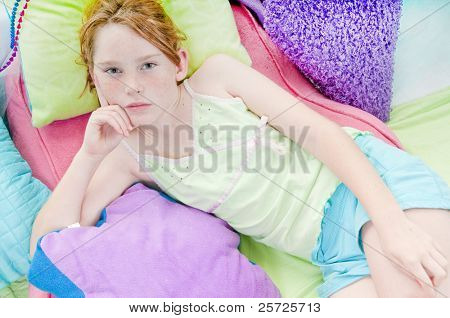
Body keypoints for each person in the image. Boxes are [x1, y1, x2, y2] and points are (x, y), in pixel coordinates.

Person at [29, 0, 450, 298]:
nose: (132, 85)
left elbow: (323, 133)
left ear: (178, 62)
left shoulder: (217, 80)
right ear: (94, 79)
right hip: (330, 251)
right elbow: (50, 240)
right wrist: (88, 156)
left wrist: (392, 225)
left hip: (371, 193)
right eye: (113, 71)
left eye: (148, 65)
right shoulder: (127, 157)